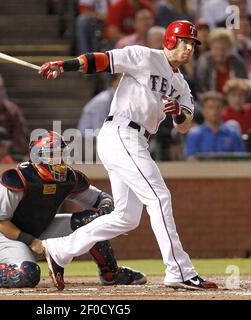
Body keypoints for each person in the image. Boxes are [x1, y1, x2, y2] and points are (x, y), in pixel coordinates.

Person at [37, 20, 218, 290]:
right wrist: (64, 65)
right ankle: (179, 270)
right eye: (184, 41)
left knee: (126, 217)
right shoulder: (144, 56)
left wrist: (178, 112)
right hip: (121, 132)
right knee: (159, 197)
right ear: (169, 40)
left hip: (137, 141)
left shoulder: (182, 84)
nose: (189, 47)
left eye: (192, 44)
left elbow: (185, 125)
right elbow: (102, 60)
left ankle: (60, 249)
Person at [0, 131, 146, 290]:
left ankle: (111, 273)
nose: (58, 160)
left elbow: (101, 198)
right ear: (37, 157)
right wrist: (32, 242)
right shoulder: (15, 177)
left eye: (60, 154)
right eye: (52, 155)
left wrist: (106, 215)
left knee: (94, 221)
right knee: (27, 274)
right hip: (6, 236)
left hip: (43, 229)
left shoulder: (69, 177)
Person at [186, 91, 245, 160]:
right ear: (203, 110)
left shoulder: (233, 133)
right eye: (211, 107)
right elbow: (191, 160)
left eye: (218, 107)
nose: (215, 111)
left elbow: (241, 159)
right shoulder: (195, 135)